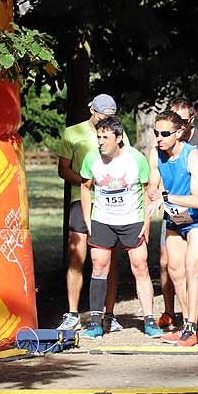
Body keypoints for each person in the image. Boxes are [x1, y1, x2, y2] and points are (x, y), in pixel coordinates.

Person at [79, 116, 161, 339]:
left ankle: (149, 320)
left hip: (131, 219)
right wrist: (88, 218)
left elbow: (147, 191)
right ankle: (96, 322)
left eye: (105, 137)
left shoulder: (136, 159)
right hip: (103, 220)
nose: (101, 142)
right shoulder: (91, 158)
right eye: (98, 137)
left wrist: (146, 222)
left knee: (140, 266)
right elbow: (85, 186)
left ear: (118, 138)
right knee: (99, 265)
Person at [56, 93, 122, 332]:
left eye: (110, 116)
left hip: (111, 203)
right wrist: (86, 182)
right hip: (80, 200)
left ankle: (110, 314)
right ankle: (73, 313)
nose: (105, 119)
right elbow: (63, 169)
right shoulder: (72, 133)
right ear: (91, 109)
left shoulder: (117, 133)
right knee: (76, 257)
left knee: (109, 260)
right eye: (102, 114)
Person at [147, 110, 198, 347]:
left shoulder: (192, 155)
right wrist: (153, 195)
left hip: (197, 217)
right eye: (156, 133)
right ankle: (187, 323)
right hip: (177, 215)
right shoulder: (155, 154)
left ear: (179, 133)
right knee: (174, 269)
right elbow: (152, 188)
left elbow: (197, 199)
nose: (159, 138)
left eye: (165, 133)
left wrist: (165, 196)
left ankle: (193, 328)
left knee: (191, 267)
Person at [167, 97, 198, 331]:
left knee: (196, 264)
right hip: (175, 211)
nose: (178, 126)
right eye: (173, 120)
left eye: (182, 121)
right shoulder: (162, 144)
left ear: (191, 120)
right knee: (173, 265)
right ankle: (181, 316)